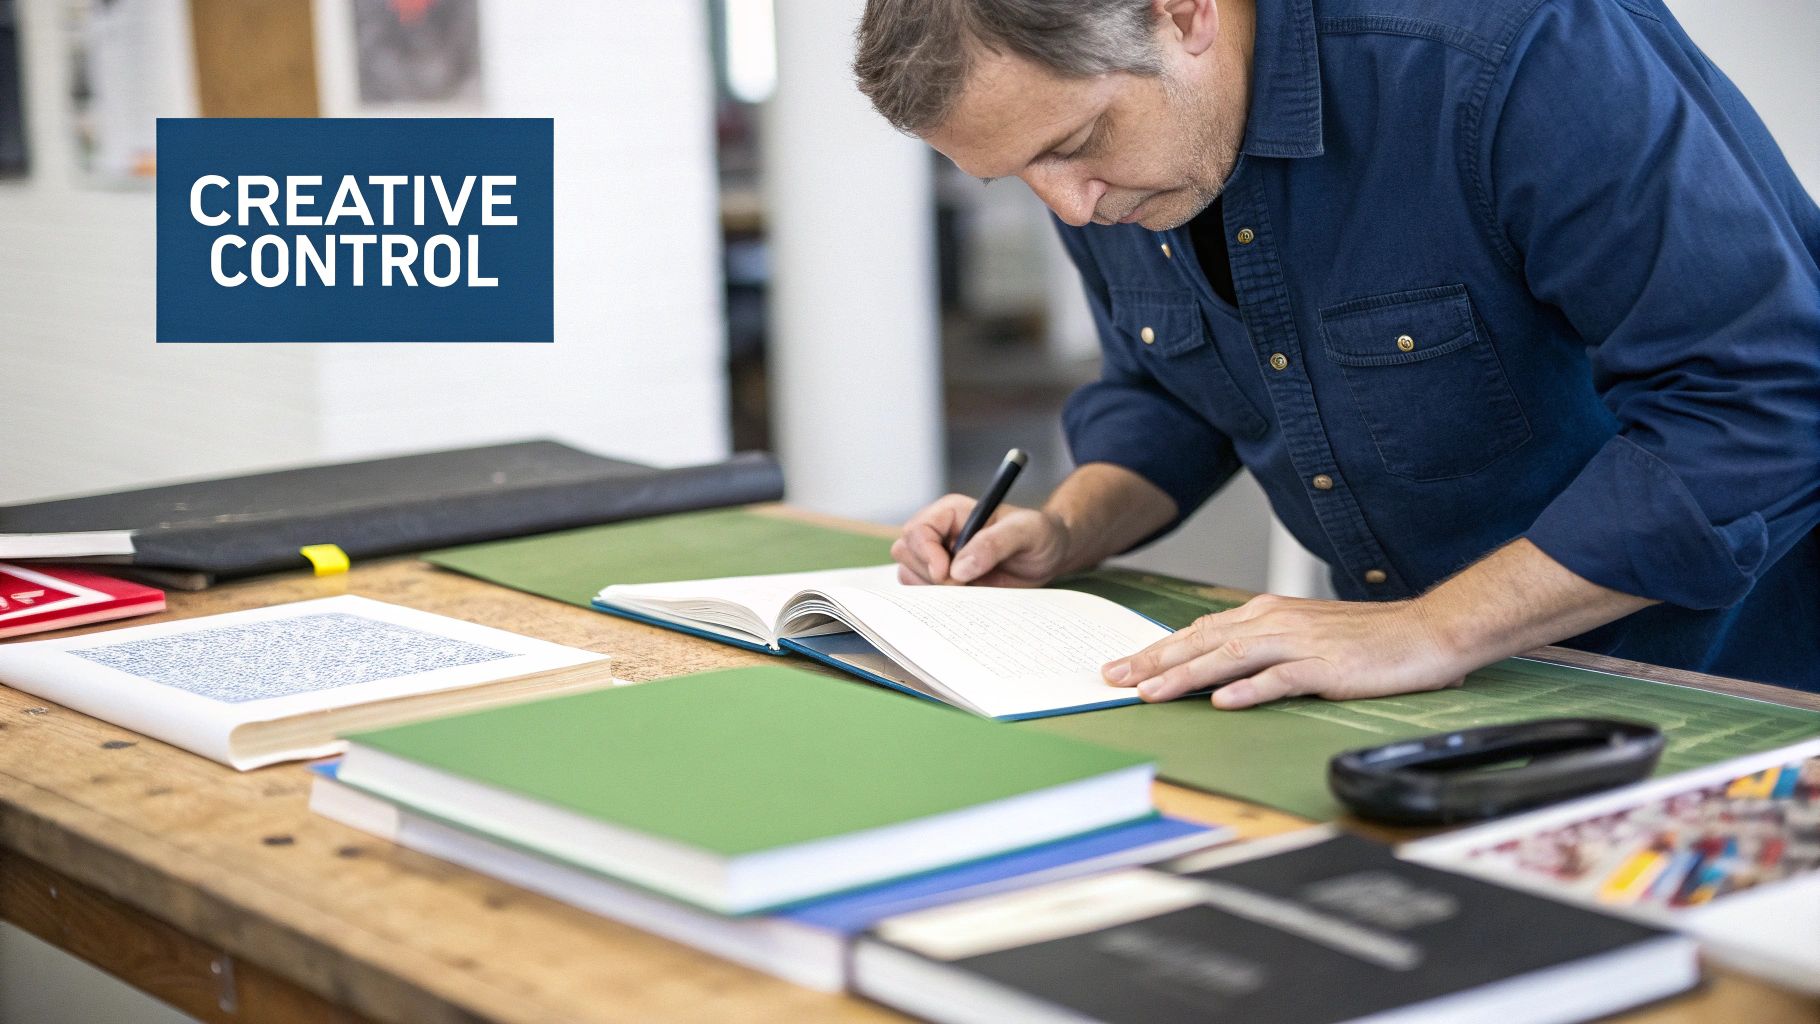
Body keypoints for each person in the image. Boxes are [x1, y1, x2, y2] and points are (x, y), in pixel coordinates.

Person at [856, 0, 1820, 706]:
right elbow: (1175, 393)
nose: (1071, 206)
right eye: (1015, 173)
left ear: (1181, 13)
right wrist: (1066, 530)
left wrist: (1432, 628)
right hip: (1418, 697)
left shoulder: (1515, 49)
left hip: (1736, 689)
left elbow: (1765, 401)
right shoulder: (1115, 162)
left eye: (1075, 143)